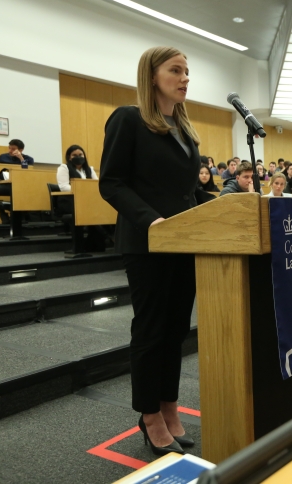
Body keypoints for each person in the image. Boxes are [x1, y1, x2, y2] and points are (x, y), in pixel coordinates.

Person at [99, 46, 217, 455]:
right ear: (152, 76)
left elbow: (185, 191)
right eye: (176, 70)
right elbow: (111, 183)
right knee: (151, 331)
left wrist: (220, 203)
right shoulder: (128, 119)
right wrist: (150, 219)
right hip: (147, 242)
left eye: (187, 71)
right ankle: (148, 415)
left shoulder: (183, 129)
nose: (185, 78)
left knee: (176, 330)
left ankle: (169, 405)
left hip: (183, 242)